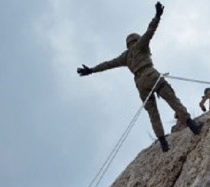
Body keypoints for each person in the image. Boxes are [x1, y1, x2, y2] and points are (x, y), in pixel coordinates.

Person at [77, 2, 202, 153]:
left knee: (152, 113)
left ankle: (163, 143)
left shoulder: (125, 56)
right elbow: (150, 31)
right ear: (136, 40)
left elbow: (108, 64)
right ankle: (192, 126)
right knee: (172, 99)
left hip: (140, 84)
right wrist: (157, 16)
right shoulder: (140, 46)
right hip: (151, 74)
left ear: (127, 43)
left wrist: (91, 70)